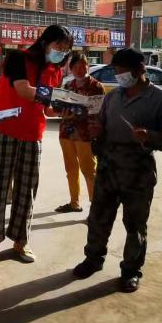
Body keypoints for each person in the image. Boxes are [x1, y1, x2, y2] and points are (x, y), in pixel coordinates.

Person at [72, 47, 162, 293]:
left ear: (140, 70)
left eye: (122, 71)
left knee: (135, 224)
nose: (119, 76)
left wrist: (150, 136)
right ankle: (93, 259)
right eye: (116, 71)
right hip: (108, 166)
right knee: (99, 218)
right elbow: (101, 127)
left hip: (138, 169)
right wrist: (96, 133)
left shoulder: (161, 100)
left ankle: (131, 270)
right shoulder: (112, 97)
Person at [0, 25, 74, 265]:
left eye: (66, 49)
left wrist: (65, 110)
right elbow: (23, 90)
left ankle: (21, 241)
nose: (62, 52)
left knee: (27, 191)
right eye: (59, 46)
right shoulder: (18, 58)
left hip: (33, 134)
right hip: (4, 130)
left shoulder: (55, 71)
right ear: (45, 42)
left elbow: (48, 109)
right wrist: (56, 96)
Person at [55, 52, 104, 214]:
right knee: (70, 169)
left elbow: (98, 112)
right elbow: (59, 107)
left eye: (82, 66)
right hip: (66, 133)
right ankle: (74, 202)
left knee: (89, 170)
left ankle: (95, 208)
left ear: (87, 67)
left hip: (85, 135)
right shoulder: (68, 86)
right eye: (75, 67)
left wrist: (79, 114)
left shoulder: (96, 86)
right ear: (71, 69)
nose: (79, 70)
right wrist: (60, 111)